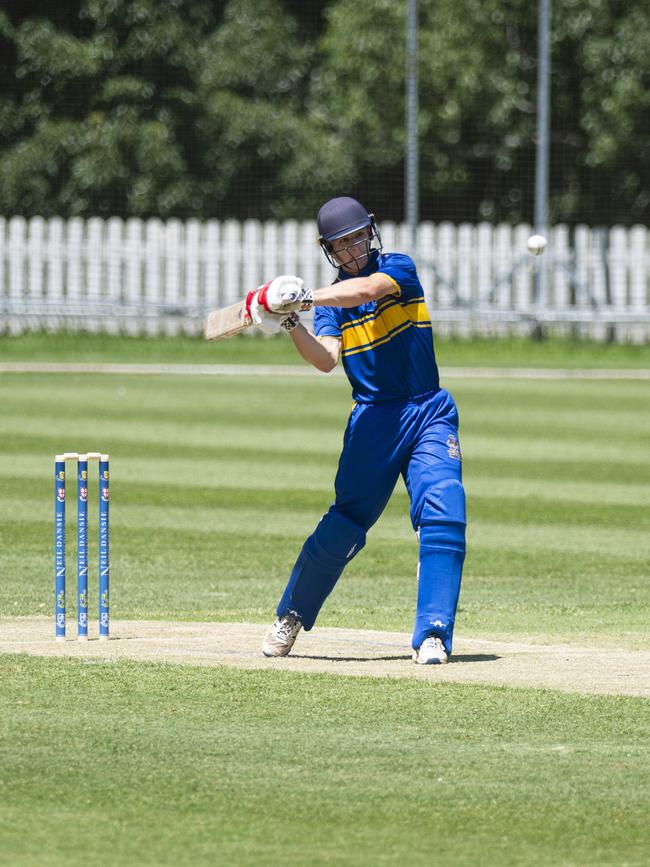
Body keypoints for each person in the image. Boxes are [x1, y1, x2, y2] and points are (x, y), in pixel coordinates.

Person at [247, 196, 466, 665]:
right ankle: (291, 614)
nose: (352, 250)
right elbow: (326, 360)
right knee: (345, 524)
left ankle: (433, 634)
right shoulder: (328, 303)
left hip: (427, 407)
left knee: (444, 508)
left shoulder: (397, 268)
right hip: (373, 420)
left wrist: (304, 298)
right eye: (341, 245)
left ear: (371, 231)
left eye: (356, 238)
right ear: (329, 250)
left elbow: (366, 291)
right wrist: (289, 322)